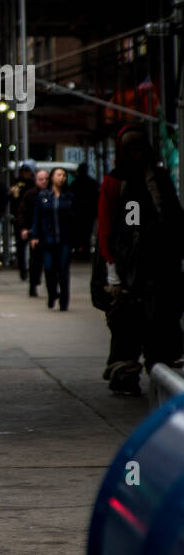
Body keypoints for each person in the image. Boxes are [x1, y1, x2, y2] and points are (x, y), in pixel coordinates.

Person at [97, 125, 184, 395]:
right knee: (127, 321)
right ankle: (126, 374)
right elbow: (107, 224)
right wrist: (112, 265)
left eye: (139, 149)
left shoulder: (159, 177)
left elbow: (174, 217)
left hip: (161, 263)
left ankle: (161, 368)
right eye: (130, 149)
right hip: (128, 265)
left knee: (162, 318)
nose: (135, 154)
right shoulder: (115, 181)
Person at [30, 166, 75, 310]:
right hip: (47, 239)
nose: (62, 177)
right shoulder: (43, 196)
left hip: (64, 239)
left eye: (64, 175)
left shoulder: (69, 197)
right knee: (49, 269)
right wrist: (35, 236)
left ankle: (64, 300)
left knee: (63, 269)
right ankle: (52, 293)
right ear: (52, 178)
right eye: (58, 174)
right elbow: (37, 217)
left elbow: (75, 218)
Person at [19, 167, 48, 296]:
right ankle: (33, 284)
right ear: (36, 180)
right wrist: (24, 228)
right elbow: (22, 212)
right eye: (41, 179)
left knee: (47, 262)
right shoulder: (30, 195)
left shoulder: (52, 193)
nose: (44, 181)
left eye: (46, 179)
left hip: (49, 232)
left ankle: (47, 285)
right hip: (34, 231)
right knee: (35, 260)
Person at [9, 164, 35, 279]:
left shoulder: (33, 185)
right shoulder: (17, 183)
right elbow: (11, 200)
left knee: (33, 246)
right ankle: (23, 270)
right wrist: (13, 195)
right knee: (21, 246)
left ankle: (31, 269)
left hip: (31, 218)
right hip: (20, 218)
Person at [71, 162, 99, 259]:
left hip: (86, 213)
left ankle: (83, 251)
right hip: (83, 213)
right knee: (82, 233)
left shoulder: (78, 184)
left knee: (84, 233)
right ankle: (82, 251)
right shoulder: (77, 184)